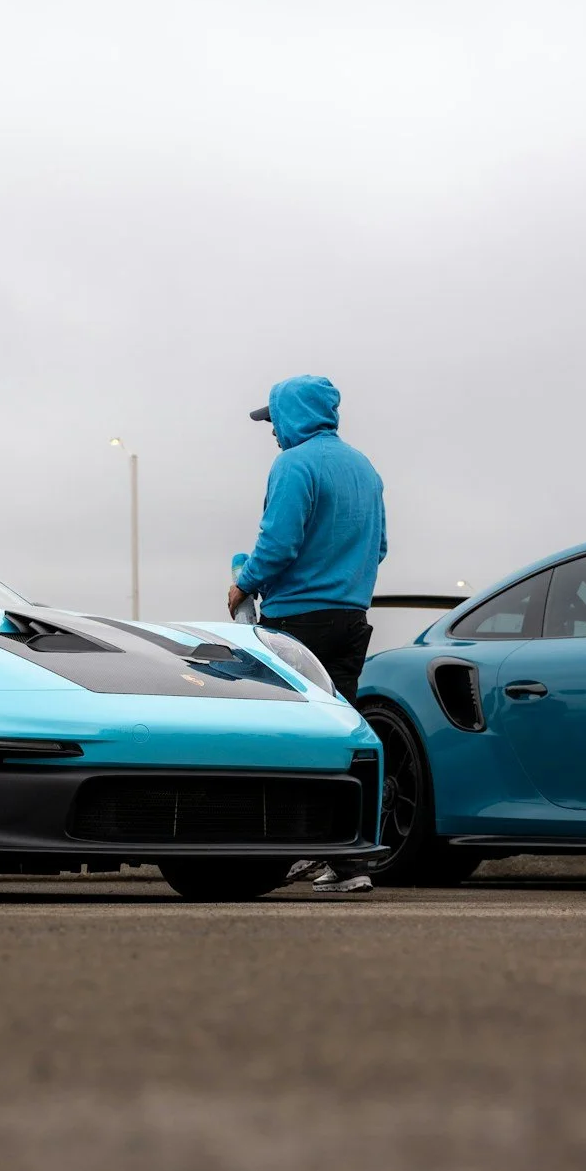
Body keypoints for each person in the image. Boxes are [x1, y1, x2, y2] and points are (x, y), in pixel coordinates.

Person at [229, 375, 386, 896]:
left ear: (294, 416)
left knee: (284, 734)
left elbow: (279, 544)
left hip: (297, 623)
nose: (272, 431)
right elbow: (379, 546)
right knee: (343, 734)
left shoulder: (294, 465)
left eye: (274, 419)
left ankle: (289, 846)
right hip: (351, 619)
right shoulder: (365, 468)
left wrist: (242, 583)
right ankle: (346, 859)